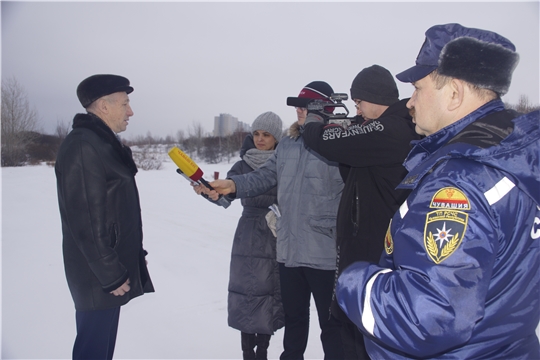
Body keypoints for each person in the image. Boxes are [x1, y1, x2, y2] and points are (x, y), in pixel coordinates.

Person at [336, 23, 540, 359]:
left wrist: (356, 280)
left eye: (418, 88)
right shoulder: (513, 162)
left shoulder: (459, 183)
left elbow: (427, 318)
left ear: (455, 94)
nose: (410, 102)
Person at [207, 82, 345, 359]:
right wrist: (232, 185)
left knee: (332, 325)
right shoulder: (290, 145)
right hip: (289, 252)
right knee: (294, 320)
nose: (298, 110)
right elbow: (264, 177)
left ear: (324, 108)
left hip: (324, 253)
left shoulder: (341, 142)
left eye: (304, 106)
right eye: (297, 106)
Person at [301, 64, 422, 359]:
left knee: (362, 330)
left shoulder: (391, 129)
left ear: (375, 97)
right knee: (354, 328)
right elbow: (351, 167)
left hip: (374, 246)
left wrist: (315, 120)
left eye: (359, 102)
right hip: (369, 242)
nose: (357, 107)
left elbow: (324, 142)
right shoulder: (388, 128)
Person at [55, 74, 154, 360]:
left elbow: (115, 212)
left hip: (107, 269)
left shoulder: (103, 144)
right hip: (97, 276)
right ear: (104, 106)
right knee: (92, 352)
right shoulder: (83, 146)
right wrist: (110, 272)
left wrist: (132, 254)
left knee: (101, 352)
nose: (131, 111)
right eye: (125, 103)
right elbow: (84, 221)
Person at [197, 112, 286, 359]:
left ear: (276, 138)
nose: (260, 139)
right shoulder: (243, 163)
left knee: (270, 293)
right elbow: (226, 198)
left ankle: (264, 350)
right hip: (247, 234)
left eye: (266, 135)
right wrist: (210, 193)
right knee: (246, 292)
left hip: (276, 233)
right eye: (256, 134)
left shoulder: (285, 161)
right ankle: (247, 351)